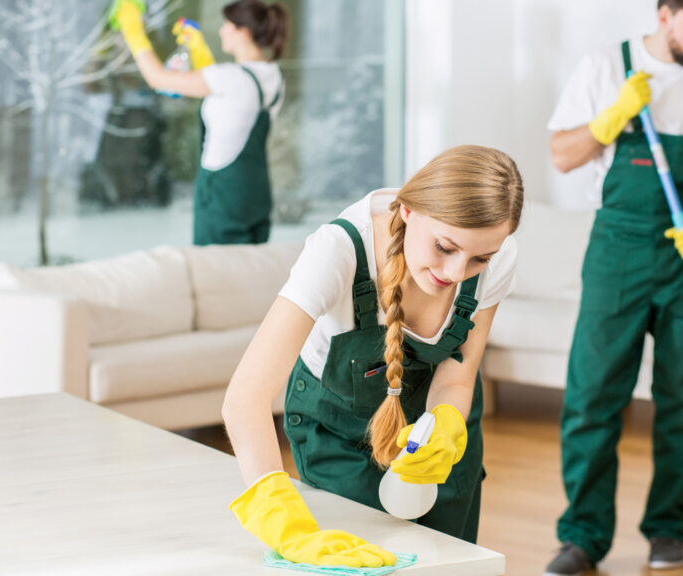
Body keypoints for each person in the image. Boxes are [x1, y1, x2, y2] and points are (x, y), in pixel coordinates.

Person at [544, 1, 683, 574]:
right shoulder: (606, 67)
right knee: (592, 396)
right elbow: (561, 156)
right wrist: (609, 119)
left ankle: (668, 530)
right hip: (616, 253)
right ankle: (583, 537)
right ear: (665, 14)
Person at [220, 145, 524, 567]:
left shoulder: (498, 256)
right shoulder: (338, 251)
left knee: (447, 564)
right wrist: (280, 519)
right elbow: (245, 398)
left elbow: (458, 371)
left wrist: (448, 423)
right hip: (342, 429)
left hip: (435, 434)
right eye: (444, 247)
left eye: (479, 259)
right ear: (409, 210)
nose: (456, 272)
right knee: (362, 559)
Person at [112, 0, 287, 245]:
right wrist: (197, 48)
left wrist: (133, 31)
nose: (221, 30)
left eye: (227, 25)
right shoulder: (273, 76)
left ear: (243, 32)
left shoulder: (230, 78)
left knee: (215, 273)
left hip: (222, 194)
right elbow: (231, 102)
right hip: (256, 193)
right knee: (249, 270)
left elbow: (158, 79)